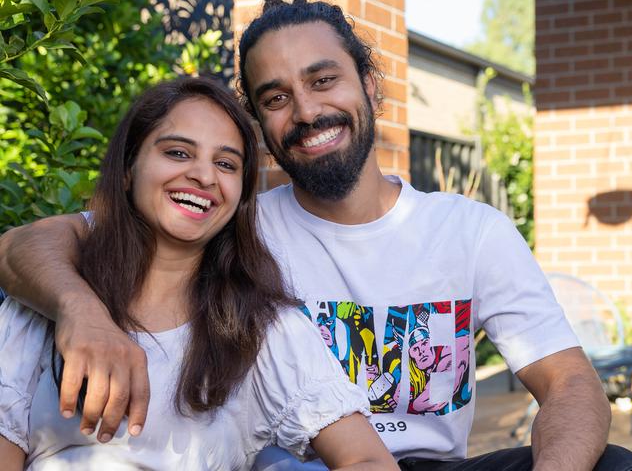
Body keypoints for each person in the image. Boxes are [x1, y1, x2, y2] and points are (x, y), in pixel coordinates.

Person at [0, 0, 632, 471]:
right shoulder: (227, 227)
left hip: (427, 466)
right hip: (296, 466)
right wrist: (79, 310)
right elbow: (26, 246)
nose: (306, 111)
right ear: (259, 122)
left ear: (368, 83)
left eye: (323, 79)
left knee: (614, 466)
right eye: (276, 97)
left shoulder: (469, 232)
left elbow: (568, 383)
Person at [0, 77, 398, 470]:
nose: (204, 176)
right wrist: (82, 315)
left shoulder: (261, 327)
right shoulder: (47, 296)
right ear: (127, 169)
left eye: (225, 164)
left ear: (241, 195)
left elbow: (368, 460)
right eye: (177, 153)